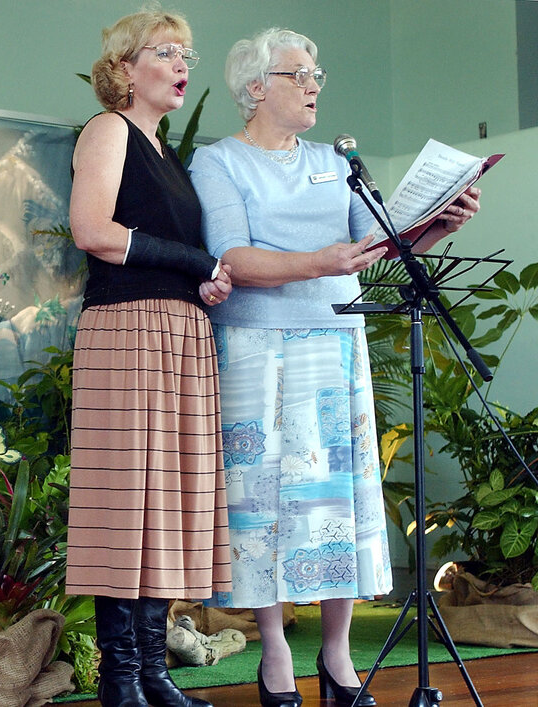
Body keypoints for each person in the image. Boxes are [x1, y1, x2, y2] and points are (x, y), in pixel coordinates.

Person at [188, 28, 480, 707]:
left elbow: (376, 246)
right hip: (254, 350)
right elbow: (232, 256)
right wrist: (323, 260)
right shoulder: (218, 162)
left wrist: (438, 228)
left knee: (337, 503)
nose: (315, 83)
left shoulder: (333, 160)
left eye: (318, 72)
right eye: (299, 73)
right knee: (263, 507)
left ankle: (339, 653)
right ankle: (276, 651)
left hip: (333, 342)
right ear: (256, 88)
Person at [63, 8, 235, 707]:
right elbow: (92, 229)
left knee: (165, 503)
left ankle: (154, 672)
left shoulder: (167, 155)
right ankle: (119, 676)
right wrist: (196, 260)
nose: (181, 64)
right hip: (128, 330)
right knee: (125, 502)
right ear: (126, 68)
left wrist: (202, 280)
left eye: (186, 52)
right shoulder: (109, 131)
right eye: (166, 52)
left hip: (178, 334)